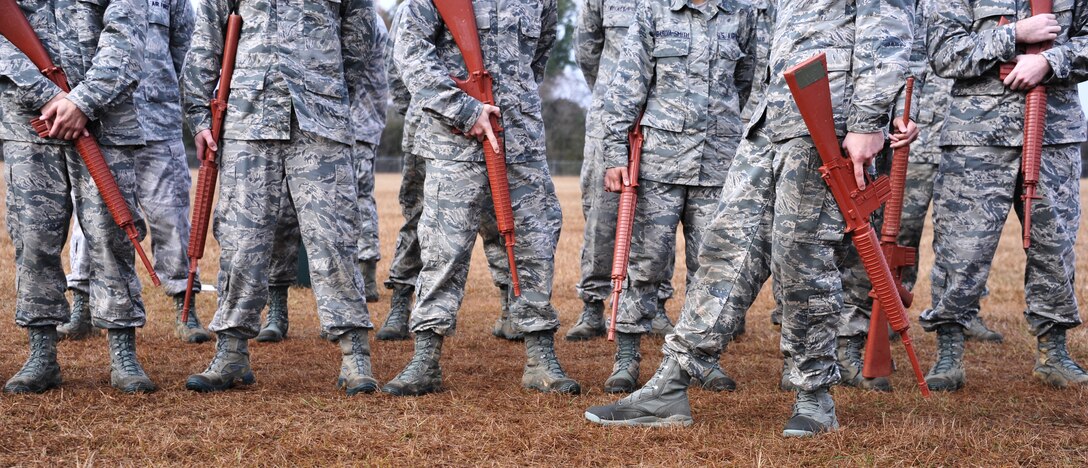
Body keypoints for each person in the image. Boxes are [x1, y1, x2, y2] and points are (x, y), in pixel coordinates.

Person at [585, 0, 914, 436]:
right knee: (725, 248)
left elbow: (887, 28)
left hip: (827, 123)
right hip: (771, 120)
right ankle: (673, 381)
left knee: (803, 260)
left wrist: (870, 119)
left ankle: (814, 396)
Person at [181, 0, 382, 395]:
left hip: (320, 120)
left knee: (334, 238)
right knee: (242, 241)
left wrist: (327, 90)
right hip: (247, 117)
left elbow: (358, 38)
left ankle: (355, 355)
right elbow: (207, 36)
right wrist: (199, 117)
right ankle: (232, 352)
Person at [383, 0, 581, 396]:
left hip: (518, 140)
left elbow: (538, 55)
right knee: (443, 250)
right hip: (452, 142)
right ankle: (426, 359)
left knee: (534, 245)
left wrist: (511, 105)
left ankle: (541, 358)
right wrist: (463, 110)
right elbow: (410, 52)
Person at [922, 0, 1088, 391]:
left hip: (1053, 134)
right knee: (960, 250)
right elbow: (944, 53)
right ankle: (949, 350)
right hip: (976, 138)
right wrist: (1013, 35)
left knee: (1054, 246)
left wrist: (1051, 61)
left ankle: (1054, 352)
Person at [594, 0, 756, 394]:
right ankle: (627, 359)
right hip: (659, 166)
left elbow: (746, 81)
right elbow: (627, 85)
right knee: (646, 264)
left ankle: (702, 359)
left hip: (718, 164)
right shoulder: (652, 13)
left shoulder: (742, 14)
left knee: (711, 268)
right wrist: (615, 153)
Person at [1, 0, 156, 394]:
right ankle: (41, 356)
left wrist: (81, 101)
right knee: (33, 239)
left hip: (105, 120)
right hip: (29, 123)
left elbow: (127, 37)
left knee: (110, 236)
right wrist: (47, 94)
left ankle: (123, 354)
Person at [58, 0, 211, 345]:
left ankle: (185, 310)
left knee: (171, 218)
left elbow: (185, 54)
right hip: (104, 123)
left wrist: (181, 105)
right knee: (92, 221)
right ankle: (82, 306)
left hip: (159, 124)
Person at [378, 1, 520, 343]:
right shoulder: (417, 6)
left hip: (493, 117)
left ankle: (510, 304)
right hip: (430, 124)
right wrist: (429, 109)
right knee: (421, 216)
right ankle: (401, 300)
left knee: (498, 212)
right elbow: (399, 69)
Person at [253, 6, 390, 344]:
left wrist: (332, 105)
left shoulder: (367, 21)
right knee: (283, 214)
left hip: (349, 126)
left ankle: (361, 284)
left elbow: (355, 68)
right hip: (296, 124)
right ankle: (278, 309)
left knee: (345, 215)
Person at [570, 0, 676, 343]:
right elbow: (587, 51)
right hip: (610, 116)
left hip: (667, 118)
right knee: (603, 212)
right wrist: (612, 94)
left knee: (661, 210)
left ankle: (655, 303)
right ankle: (593, 304)